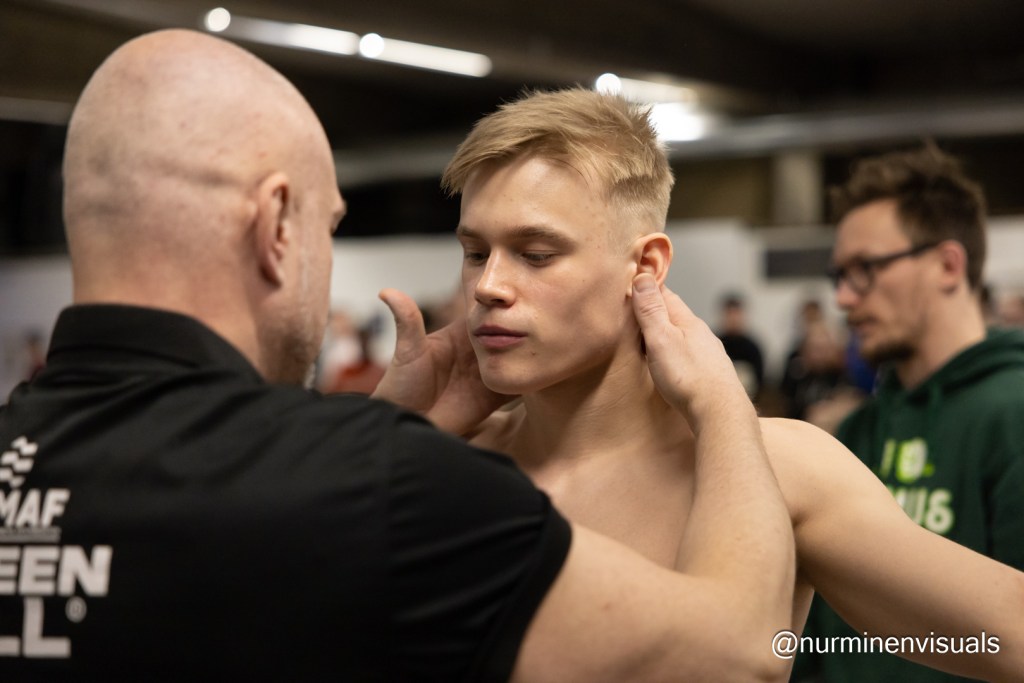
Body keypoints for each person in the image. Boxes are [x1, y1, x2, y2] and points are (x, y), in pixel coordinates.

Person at [0, 30, 799, 681]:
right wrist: (721, 401)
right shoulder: (378, 482)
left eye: (535, 252)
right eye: (328, 226)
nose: (489, 285)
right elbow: (742, 654)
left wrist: (384, 433)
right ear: (276, 227)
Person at [378, 88, 1024, 681]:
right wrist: (384, 436)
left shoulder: (776, 466)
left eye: (536, 254)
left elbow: (1007, 635)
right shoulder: (446, 462)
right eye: (475, 252)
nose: (489, 285)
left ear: (645, 265)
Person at [800, 145, 1024, 682]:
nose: (844, 298)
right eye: (839, 275)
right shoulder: (858, 431)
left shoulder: (1013, 414)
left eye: (865, 269)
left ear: (948, 265)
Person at [716, 292, 765, 398]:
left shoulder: (752, 348)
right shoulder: (715, 344)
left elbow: (760, 381)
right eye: (730, 315)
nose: (733, 319)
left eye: (736, 315)